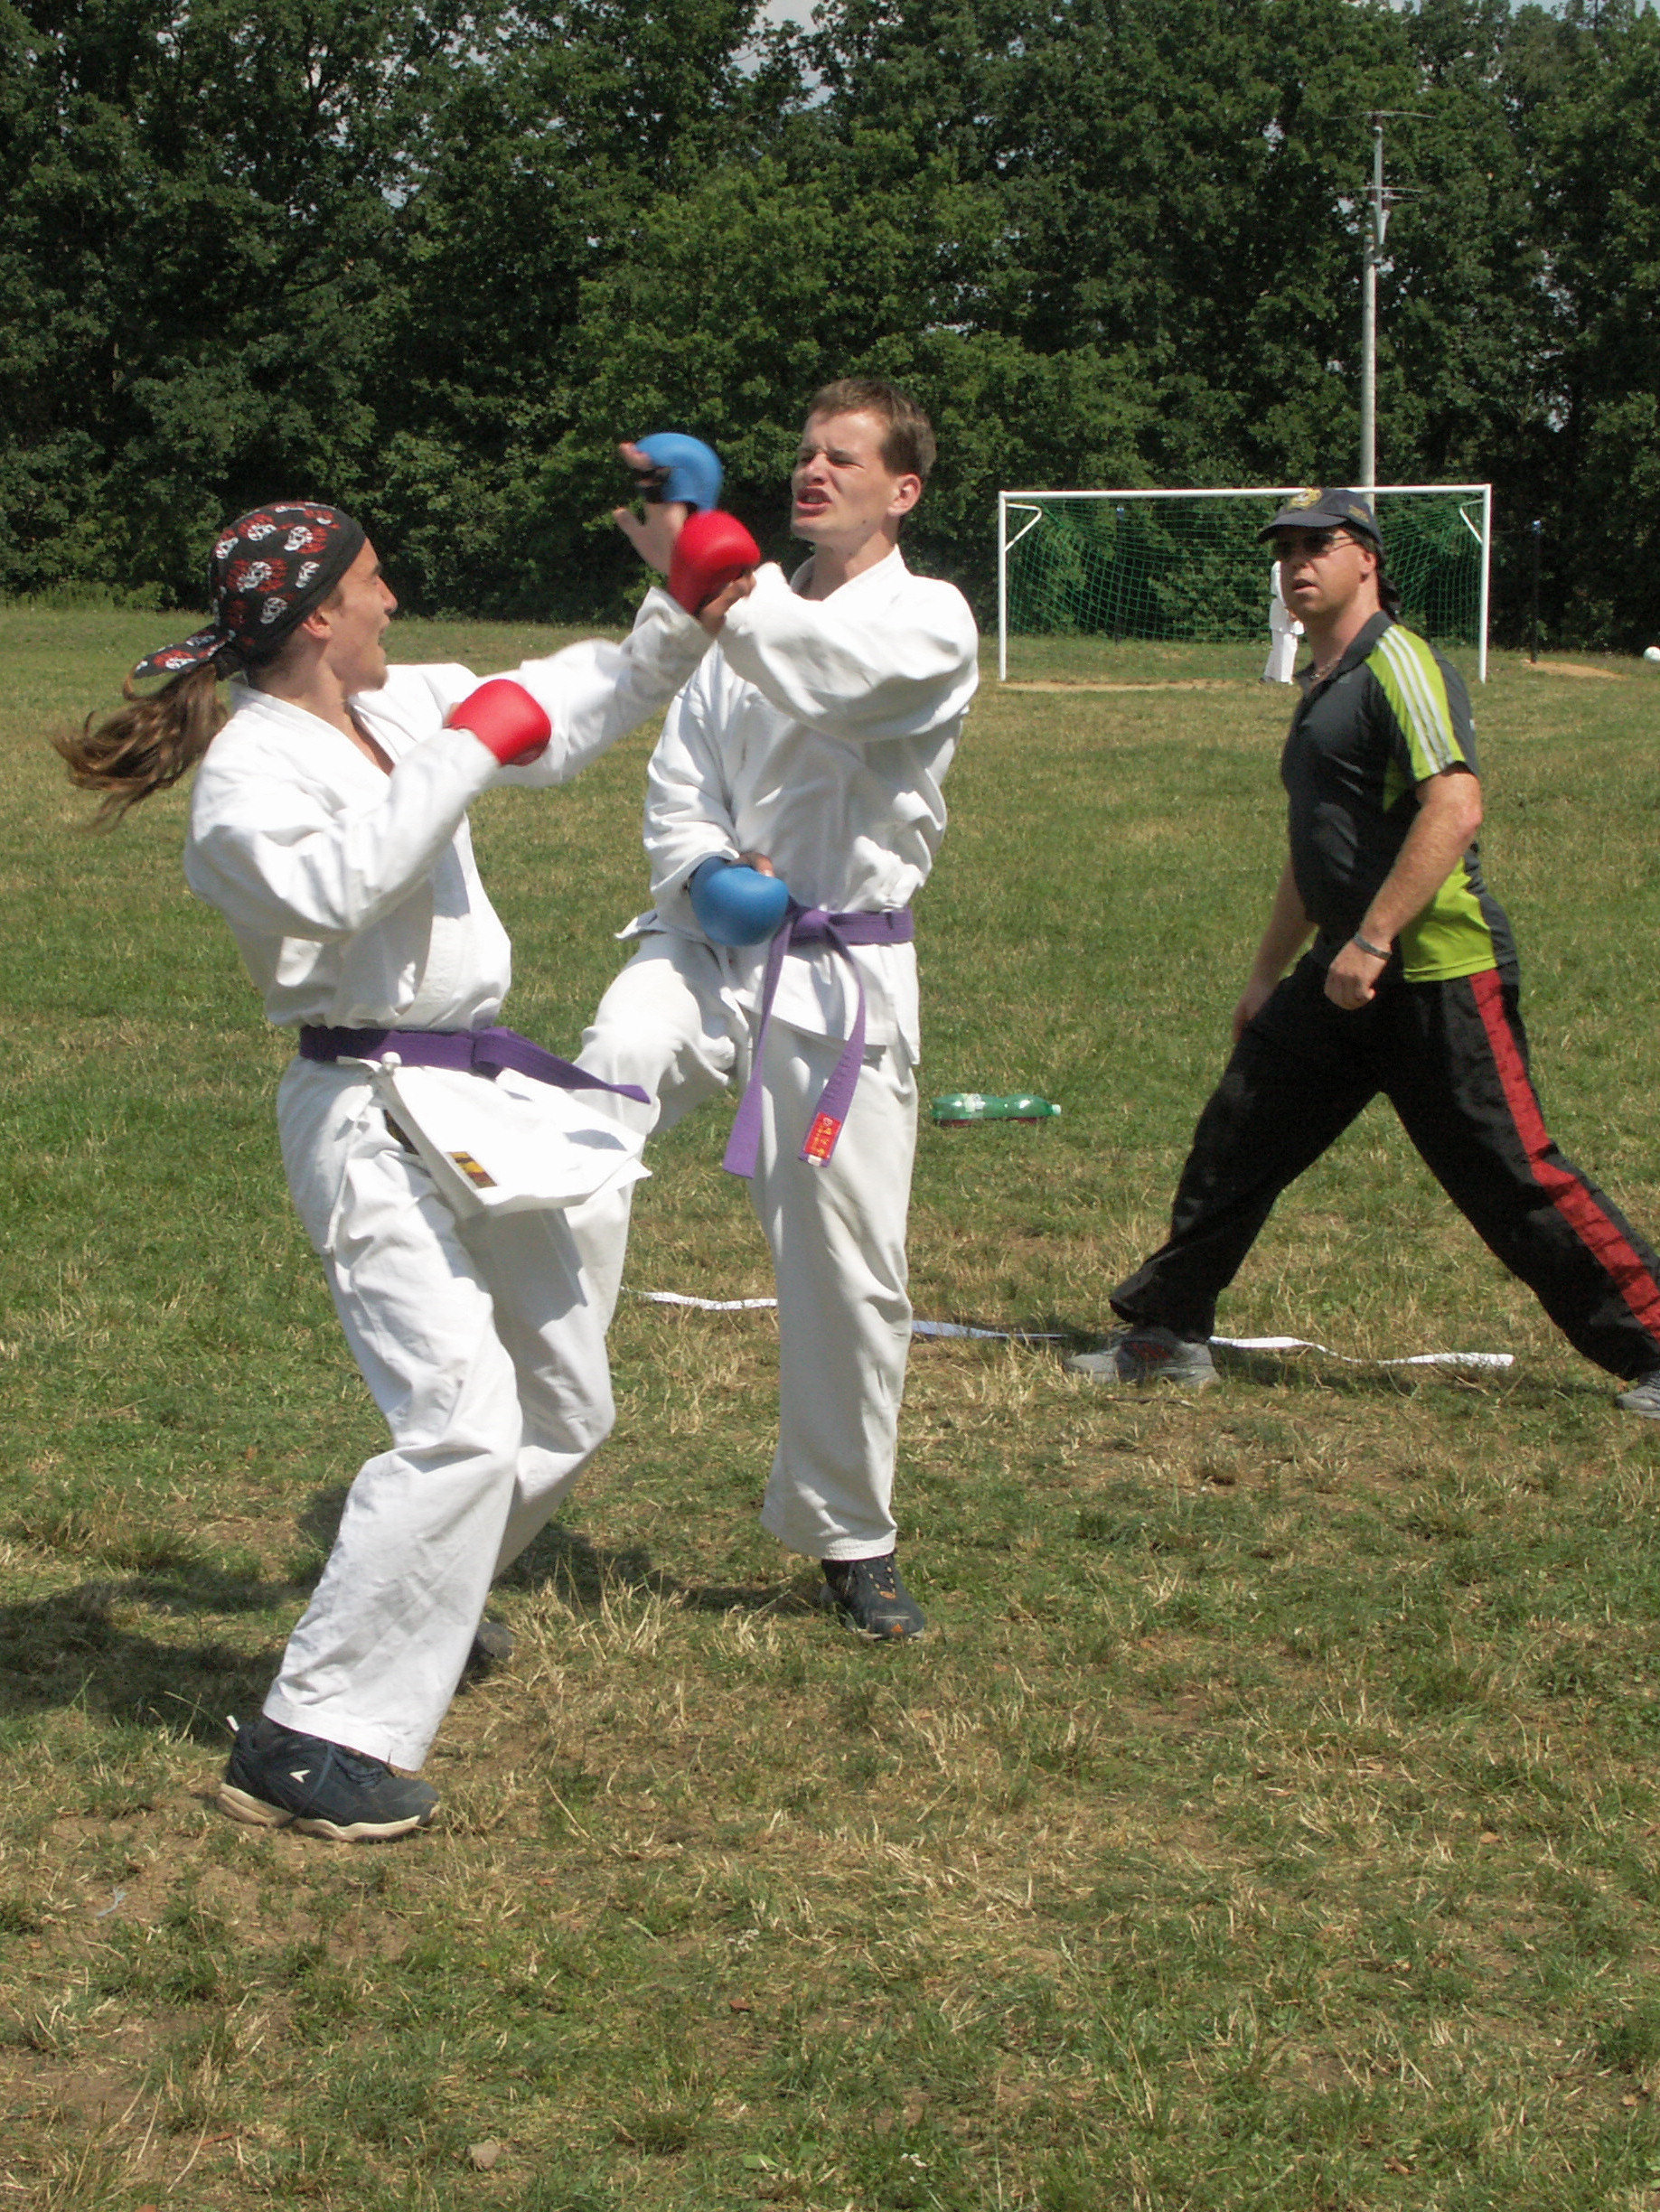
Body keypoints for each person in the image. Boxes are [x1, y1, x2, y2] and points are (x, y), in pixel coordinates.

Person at [60, 495, 752, 1839]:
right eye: (373, 581)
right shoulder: (249, 779)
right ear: (320, 612)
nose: (393, 600)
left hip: (473, 1100)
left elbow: (562, 706)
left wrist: (679, 612)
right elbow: (337, 888)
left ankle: (428, 1602)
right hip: (362, 1113)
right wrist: (466, 748)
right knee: (458, 1420)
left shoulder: (394, 706)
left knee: (564, 1405)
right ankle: (307, 1741)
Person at [1070, 487, 1660, 1413]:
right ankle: (1167, 1331)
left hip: (1435, 972)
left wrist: (1375, 939)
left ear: (1367, 560)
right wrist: (1266, 976)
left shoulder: (1400, 664)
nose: (1296, 564)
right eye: (1285, 550)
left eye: (1319, 545)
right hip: (1337, 976)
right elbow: (1313, 851)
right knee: (1237, 1137)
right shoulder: (1322, 684)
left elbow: (1454, 807)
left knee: (1512, 1177)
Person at [575, 379, 980, 1639]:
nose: (812, 470)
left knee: (850, 1273)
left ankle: (849, 1533)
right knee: (600, 1087)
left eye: (842, 457)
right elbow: (679, 775)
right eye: (805, 453)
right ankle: (521, 1431)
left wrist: (717, 581)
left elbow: (834, 684)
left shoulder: (931, 620)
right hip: (708, 944)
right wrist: (700, 870)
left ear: (902, 490)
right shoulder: (739, 615)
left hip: (839, 976)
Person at [1261, 557, 1302, 683]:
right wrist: (1289, 608)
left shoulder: (1293, 565)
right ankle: (1283, 679)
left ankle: (1269, 675)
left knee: (1286, 643)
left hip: (1292, 602)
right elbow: (1280, 588)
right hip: (1283, 605)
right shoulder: (1280, 566)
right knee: (1286, 642)